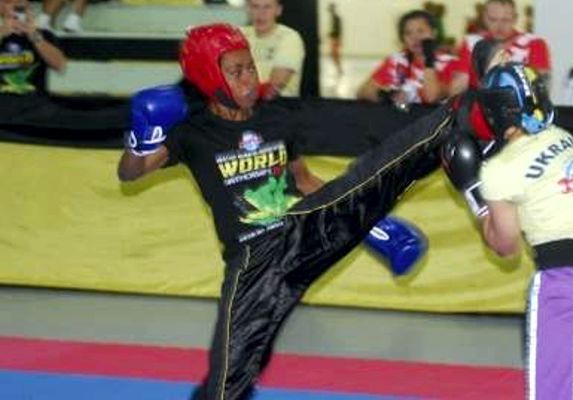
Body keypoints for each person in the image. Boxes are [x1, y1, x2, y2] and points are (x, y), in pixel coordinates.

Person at [117, 22, 462, 400]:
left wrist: (375, 229)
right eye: (235, 71)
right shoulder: (192, 132)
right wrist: (142, 135)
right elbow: (131, 173)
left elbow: (304, 181)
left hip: (301, 232)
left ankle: (458, 118)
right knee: (230, 380)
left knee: (370, 177)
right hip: (254, 259)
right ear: (209, 77)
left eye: (250, 66)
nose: (249, 78)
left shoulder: (276, 119)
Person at [442, 62, 573, 400]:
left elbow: (506, 245)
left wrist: (473, 192)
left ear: (495, 111)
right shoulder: (563, 137)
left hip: (568, 282)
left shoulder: (500, 170)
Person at [356, 10, 459, 107]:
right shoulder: (397, 61)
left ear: (433, 33)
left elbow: (432, 97)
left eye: (421, 31)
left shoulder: (450, 63)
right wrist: (390, 96)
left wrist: (429, 57)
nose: (415, 37)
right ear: (403, 38)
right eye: (408, 33)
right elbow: (363, 91)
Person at [453, 0, 552, 91]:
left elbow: (541, 89)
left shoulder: (534, 43)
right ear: (484, 18)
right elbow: (457, 90)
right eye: (493, 19)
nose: (499, 26)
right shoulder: (471, 43)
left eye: (505, 20)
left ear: (515, 18)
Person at [241, 0, 304, 100]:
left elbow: (274, 86)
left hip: (281, 108)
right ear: (248, 9)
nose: (261, 13)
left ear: (278, 10)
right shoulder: (240, 34)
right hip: (243, 106)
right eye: (255, 6)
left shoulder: (289, 38)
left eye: (267, 7)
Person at [0, 0, 66, 95]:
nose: (15, 6)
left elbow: (60, 65)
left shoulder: (43, 35)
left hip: (35, 103)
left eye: (20, 3)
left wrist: (34, 36)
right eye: (9, 2)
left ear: (28, 7)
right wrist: (2, 33)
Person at [327, 2, 342, 75]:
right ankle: (338, 70)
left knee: (335, 55)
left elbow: (337, 30)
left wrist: (331, 35)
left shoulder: (336, 18)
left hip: (335, 39)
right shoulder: (334, 18)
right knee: (334, 55)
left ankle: (339, 70)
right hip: (334, 38)